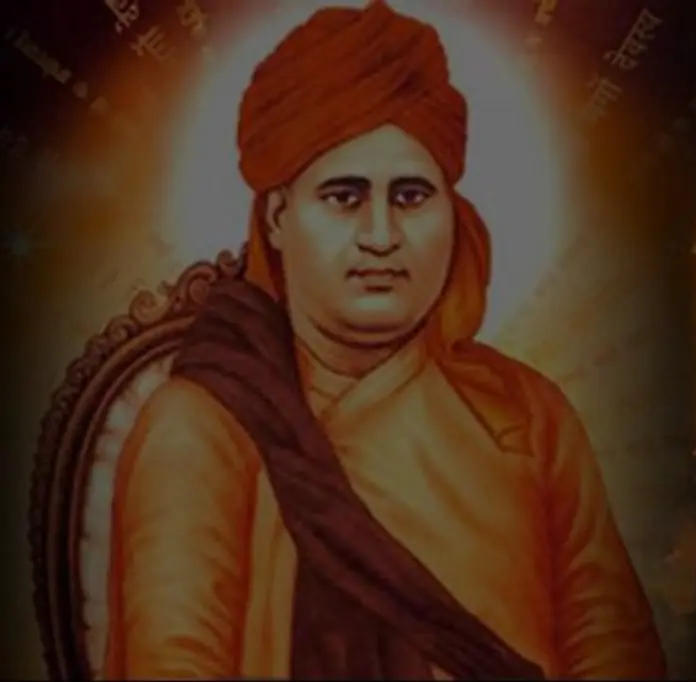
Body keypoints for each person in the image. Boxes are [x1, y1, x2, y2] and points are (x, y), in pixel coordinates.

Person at [100, 2, 664, 678]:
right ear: (278, 217)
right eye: (344, 197)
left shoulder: (529, 417)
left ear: (452, 213)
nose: (380, 236)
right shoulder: (200, 430)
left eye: (410, 197)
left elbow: (612, 646)